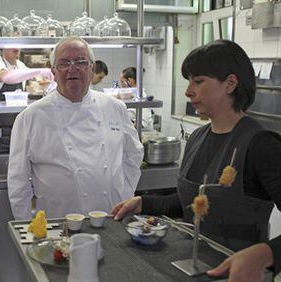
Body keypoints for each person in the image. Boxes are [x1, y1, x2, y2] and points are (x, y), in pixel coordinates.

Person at [111, 40, 281, 281]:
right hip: (194, 268)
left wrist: (267, 254)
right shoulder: (198, 137)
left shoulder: (260, 144)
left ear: (230, 83)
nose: (188, 91)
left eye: (198, 81)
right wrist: (142, 203)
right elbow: (190, 204)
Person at [8, 37, 143, 220]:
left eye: (80, 62)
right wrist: (28, 229)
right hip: (59, 224)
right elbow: (18, 181)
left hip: (113, 219)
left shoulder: (115, 108)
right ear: (53, 71)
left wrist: (123, 196)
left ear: (92, 68)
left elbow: (133, 155)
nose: (73, 68)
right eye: (64, 63)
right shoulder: (30, 117)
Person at [0, 48, 54, 154]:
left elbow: (35, 84)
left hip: (17, 131)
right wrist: (38, 71)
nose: (16, 48)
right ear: (2, 48)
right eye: (11, 45)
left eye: (18, 45)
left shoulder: (20, 65)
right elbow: (6, 77)